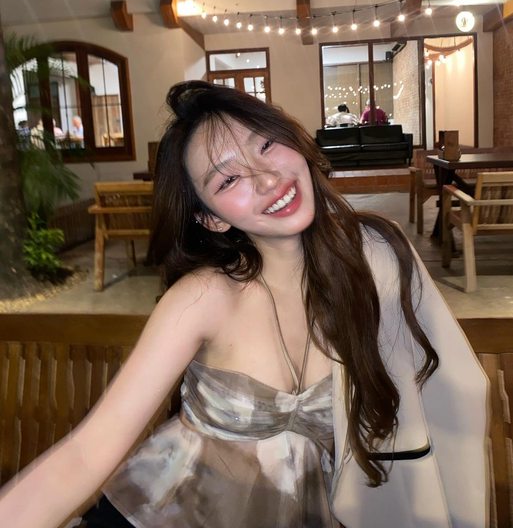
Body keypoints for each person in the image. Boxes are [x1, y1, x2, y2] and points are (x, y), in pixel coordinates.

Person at [0, 81, 488, 528]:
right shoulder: (204, 297)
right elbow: (85, 454)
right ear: (211, 219)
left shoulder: (374, 263)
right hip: (170, 513)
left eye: (266, 144)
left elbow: (446, 399)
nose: (267, 178)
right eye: (227, 181)